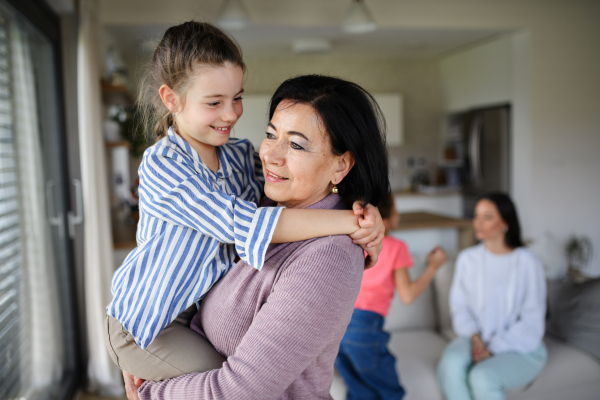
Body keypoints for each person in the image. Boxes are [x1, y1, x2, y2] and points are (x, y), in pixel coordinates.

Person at [104, 22, 384, 380]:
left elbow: (289, 192)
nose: (231, 113)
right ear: (171, 99)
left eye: (237, 97)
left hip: (189, 314)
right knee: (224, 384)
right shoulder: (164, 166)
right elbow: (251, 224)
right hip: (149, 321)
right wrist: (352, 222)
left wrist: (364, 212)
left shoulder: (239, 154)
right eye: (214, 102)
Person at [336, 192, 448, 400]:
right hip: (364, 330)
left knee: (360, 394)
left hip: (336, 330)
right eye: (396, 209)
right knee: (390, 393)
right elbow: (408, 295)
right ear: (383, 219)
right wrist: (433, 267)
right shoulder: (396, 246)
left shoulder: (352, 242)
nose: (399, 214)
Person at [437, 193, 547, 400]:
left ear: (505, 223)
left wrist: (493, 348)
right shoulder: (467, 259)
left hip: (521, 346)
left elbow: (532, 321)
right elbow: (459, 308)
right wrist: (477, 340)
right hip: (475, 338)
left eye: (487, 217)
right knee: (450, 364)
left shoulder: (528, 262)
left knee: (483, 377)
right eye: (476, 215)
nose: (478, 222)